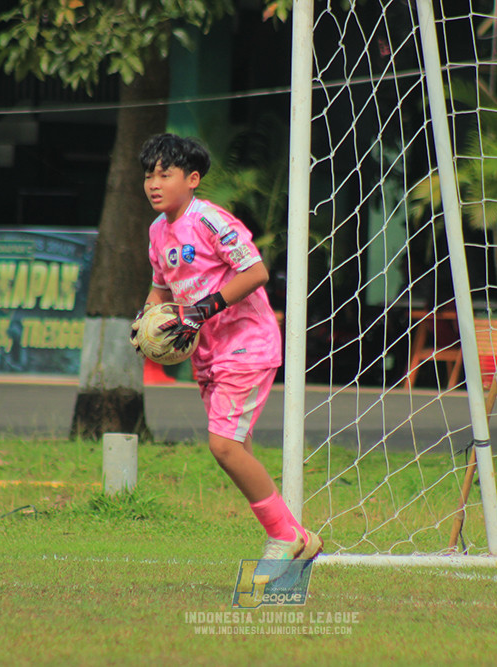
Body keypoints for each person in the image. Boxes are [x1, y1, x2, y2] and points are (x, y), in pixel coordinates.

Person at [130, 133, 322, 576]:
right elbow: (161, 285)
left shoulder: (211, 221)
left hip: (246, 343)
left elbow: (255, 271)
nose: (153, 183)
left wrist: (201, 310)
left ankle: (284, 536)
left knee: (224, 446)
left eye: (165, 174)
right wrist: (147, 321)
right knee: (239, 449)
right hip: (206, 353)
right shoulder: (158, 231)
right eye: (148, 175)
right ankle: (301, 539)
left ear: (192, 179)